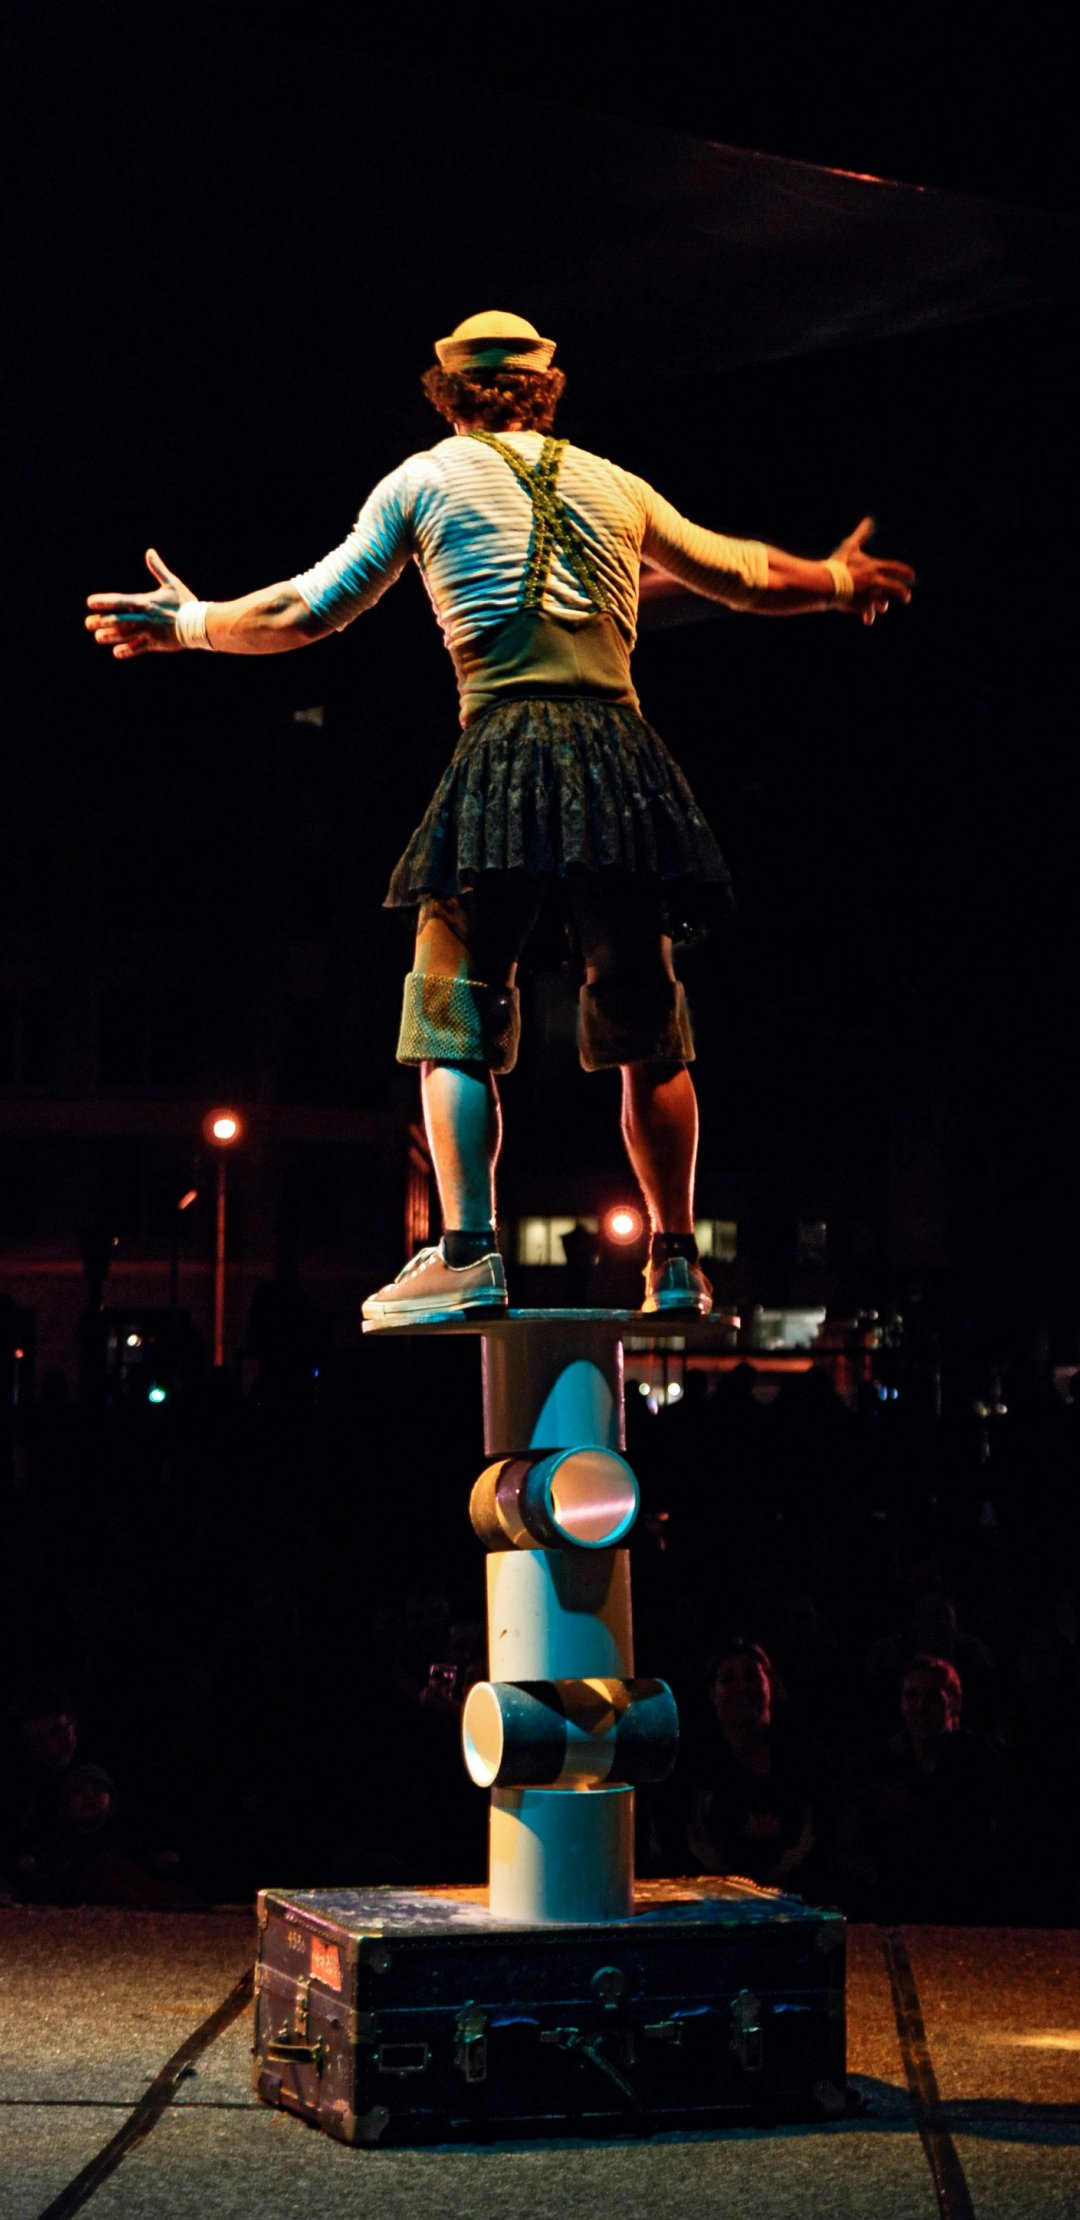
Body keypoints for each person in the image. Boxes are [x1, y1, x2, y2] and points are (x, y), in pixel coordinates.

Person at [87, 310, 915, 1326]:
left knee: (453, 1004)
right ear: (546, 389)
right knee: (645, 1014)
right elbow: (738, 572)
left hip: (506, 747)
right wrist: (836, 581)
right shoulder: (612, 484)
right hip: (619, 755)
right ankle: (674, 1259)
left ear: (446, 396)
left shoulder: (426, 481)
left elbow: (307, 610)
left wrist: (188, 623)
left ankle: (469, 1250)